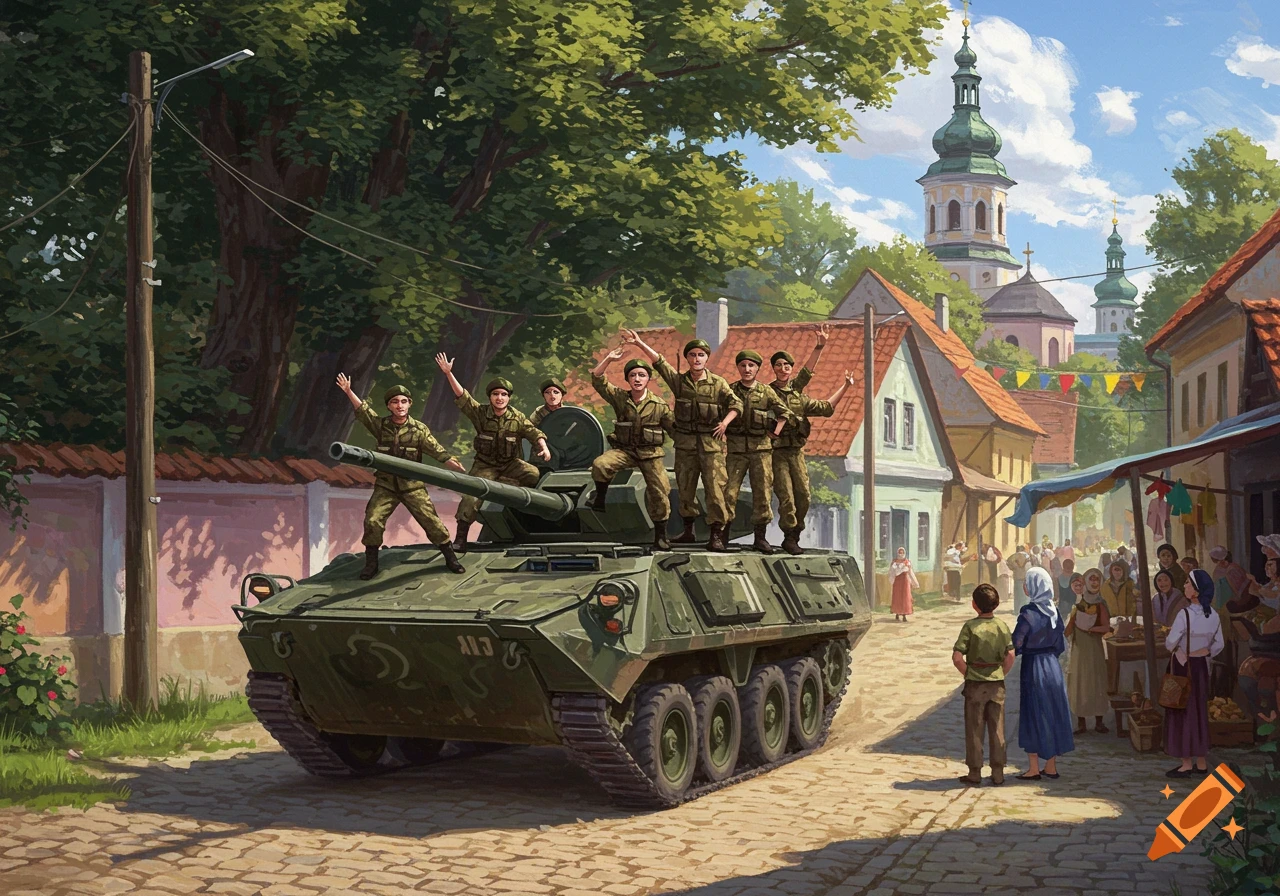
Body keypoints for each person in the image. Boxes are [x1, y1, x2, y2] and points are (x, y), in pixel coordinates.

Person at [335, 375, 469, 578]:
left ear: (409, 404)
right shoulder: (381, 426)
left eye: (403, 401)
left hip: (411, 485)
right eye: (395, 402)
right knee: (372, 521)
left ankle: (451, 558)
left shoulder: (419, 429)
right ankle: (371, 564)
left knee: (432, 522)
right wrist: (348, 391)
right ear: (389, 406)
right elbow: (364, 412)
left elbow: (436, 450)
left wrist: (453, 464)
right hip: (386, 485)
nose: (400, 405)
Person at [622, 328, 742, 551]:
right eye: (692, 355)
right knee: (685, 489)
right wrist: (639, 344)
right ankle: (689, 530)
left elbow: (736, 404)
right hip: (686, 444)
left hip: (711, 445)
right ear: (687, 358)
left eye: (701, 355)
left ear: (706, 358)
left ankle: (716, 533)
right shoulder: (679, 382)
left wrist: (725, 423)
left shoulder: (718, 384)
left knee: (715, 490)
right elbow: (660, 362)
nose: (696, 359)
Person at [434, 354, 550, 552]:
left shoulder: (517, 417)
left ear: (508, 398)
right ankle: (461, 537)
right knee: (471, 497)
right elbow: (463, 397)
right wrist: (449, 373)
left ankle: (515, 504)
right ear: (490, 397)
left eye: (504, 395)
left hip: (510, 464)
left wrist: (543, 446)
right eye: (496, 394)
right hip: (485, 465)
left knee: (534, 474)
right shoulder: (481, 413)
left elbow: (533, 432)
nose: (499, 398)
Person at [770, 335, 852, 555]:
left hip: (796, 452)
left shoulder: (799, 397)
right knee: (786, 496)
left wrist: (845, 386)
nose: (782, 369)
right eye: (778, 365)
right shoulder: (766, 394)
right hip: (776, 452)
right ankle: (788, 536)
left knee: (803, 495)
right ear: (773, 369)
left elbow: (826, 407)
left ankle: (795, 534)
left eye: (786, 365)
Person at [588, 349, 675, 549]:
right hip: (625, 451)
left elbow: (674, 429)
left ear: (648, 379)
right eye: (633, 375)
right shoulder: (620, 398)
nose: (637, 379)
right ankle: (600, 498)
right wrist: (609, 358)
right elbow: (598, 380)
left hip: (650, 455)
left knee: (661, 490)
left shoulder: (659, 405)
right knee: (600, 465)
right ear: (628, 379)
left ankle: (661, 534)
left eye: (641, 375)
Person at [723, 350, 795, 554]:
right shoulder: (730, 390)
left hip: (761, 450)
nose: (747, 369)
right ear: (738, 367)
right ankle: (723, 534)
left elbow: (785, 413)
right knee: (729, 492)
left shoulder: (766, 392)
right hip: (736, 450)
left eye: (751, 366)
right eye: (743, 365)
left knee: (762, 493)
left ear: (757, 369)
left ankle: (760, 537)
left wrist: (775, 432)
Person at [1013, 568, 1075, 780]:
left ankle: (1032, 768)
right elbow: (1060, 644)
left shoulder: (1028, 614)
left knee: (1034, 713)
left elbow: (1017, 643)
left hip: (1034, 667)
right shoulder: (1054, 613)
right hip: (1052, 667)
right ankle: (1050, 766)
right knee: (1052, 712)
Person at [1164, 569, 1225, 778]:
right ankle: (1201, 762)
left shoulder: (1185, 615)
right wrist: (1202, 651)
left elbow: (1170, 643)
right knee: (1198, 711)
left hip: (1183, 666)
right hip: (1200, 667)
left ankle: (1186, 764)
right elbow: (1219, 645)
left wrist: (1185, 651)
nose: (1184, 587)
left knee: (1181, 710)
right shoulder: (1214, 615)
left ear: (1196, 591)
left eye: (1188, 584)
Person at [952, 583, 1015, 786]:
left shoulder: (970, 627)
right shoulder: (1002, 626)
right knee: (997, 729)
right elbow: (1011, 655)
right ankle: (998, 773)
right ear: (995, 605)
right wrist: (1000, 673)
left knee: (974, 728)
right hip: (996, 683)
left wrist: (968, 673)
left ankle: (975, 772)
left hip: (975, 684)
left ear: (974, 605)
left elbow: (957, 657)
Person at [1065, 567, 1111, 734]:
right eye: (1090, 579)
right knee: (1080, 684)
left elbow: (1107, 627)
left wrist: (1092, 629)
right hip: (1079, 649)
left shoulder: (1101, 604)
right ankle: (1081, 722)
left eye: (1096, 579)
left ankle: (1099, 721)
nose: (1093, 582)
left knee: (1096, 683)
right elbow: (1067, 631)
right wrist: (1073, 619)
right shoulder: (1077, 604)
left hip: (1095, 648)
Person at [1208, 546, 1249, 610]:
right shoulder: (1218, 569)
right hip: (1221, 600)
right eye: (1216, 560)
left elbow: (1240, 588)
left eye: (1218, 560)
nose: (1218, 563)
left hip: (1232, 600)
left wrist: (1237, 598)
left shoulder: (1233, 569)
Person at [890, 547, 919, 622]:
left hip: (905, 582)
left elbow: (910, 572)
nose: (901, 554)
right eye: (900, 552)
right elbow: (891, 572)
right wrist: (891, 579)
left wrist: (914, 582)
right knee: (897, 597)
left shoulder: (907, 562)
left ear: (904, 553)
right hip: (897, 582)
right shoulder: (894, 562)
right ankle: (897, 613)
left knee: (905, 597)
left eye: (902, 553)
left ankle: (904, 615)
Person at [1008, 544, 1032, 613]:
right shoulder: (1027, 555)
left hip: (1017, 576)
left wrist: (1014, 567)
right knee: (1025, 594)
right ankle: (1025, 609)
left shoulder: (1014, 556)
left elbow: (1008, 562)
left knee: (1017, 594)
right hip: (1025, 577)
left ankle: (1016, 610)